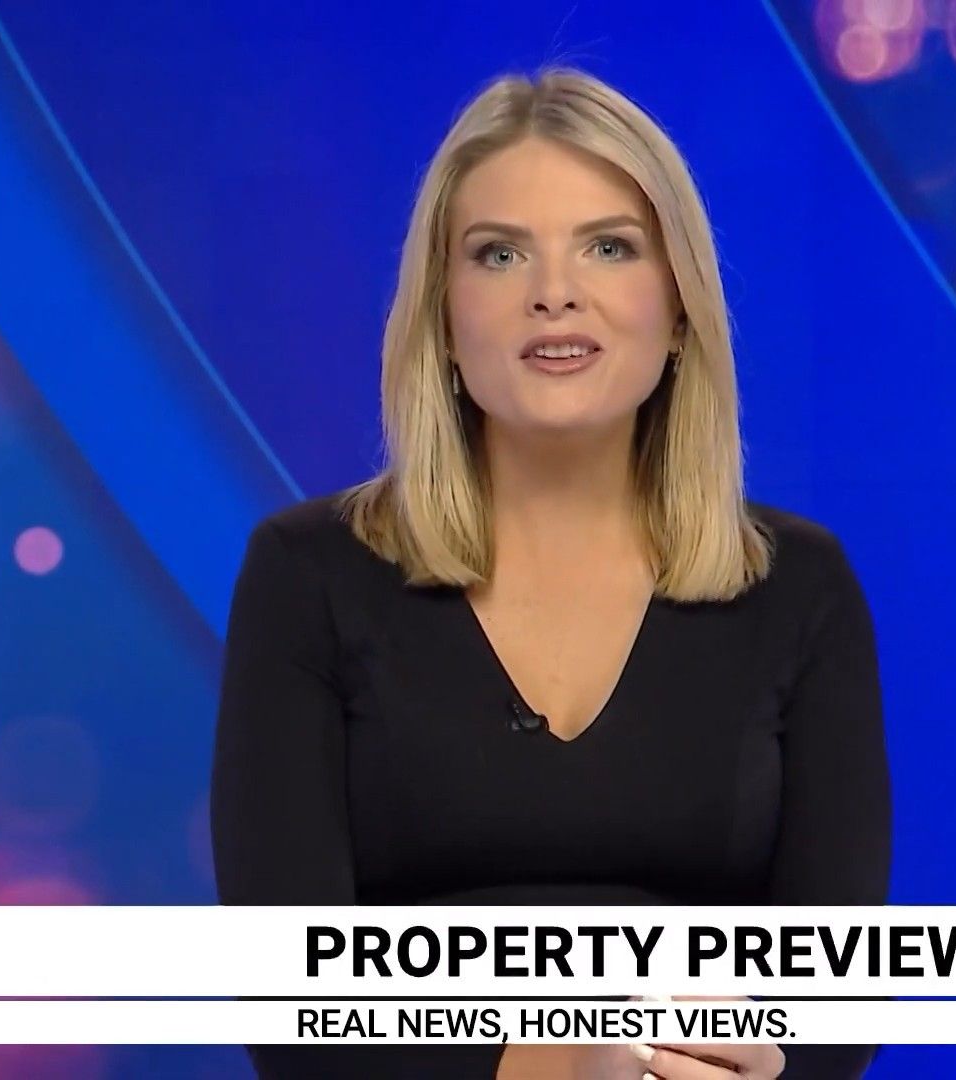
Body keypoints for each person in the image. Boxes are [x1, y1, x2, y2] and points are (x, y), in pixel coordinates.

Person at [212, 65, 891, 1079]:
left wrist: (765, 1060)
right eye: (500, 254)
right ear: (442, 318)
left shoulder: (800, 587)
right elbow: (289, 1002)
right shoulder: (308, 575)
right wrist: (560, 1061)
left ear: (680, 309)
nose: (554, 292)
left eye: (609, 247)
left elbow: (836, 1000)